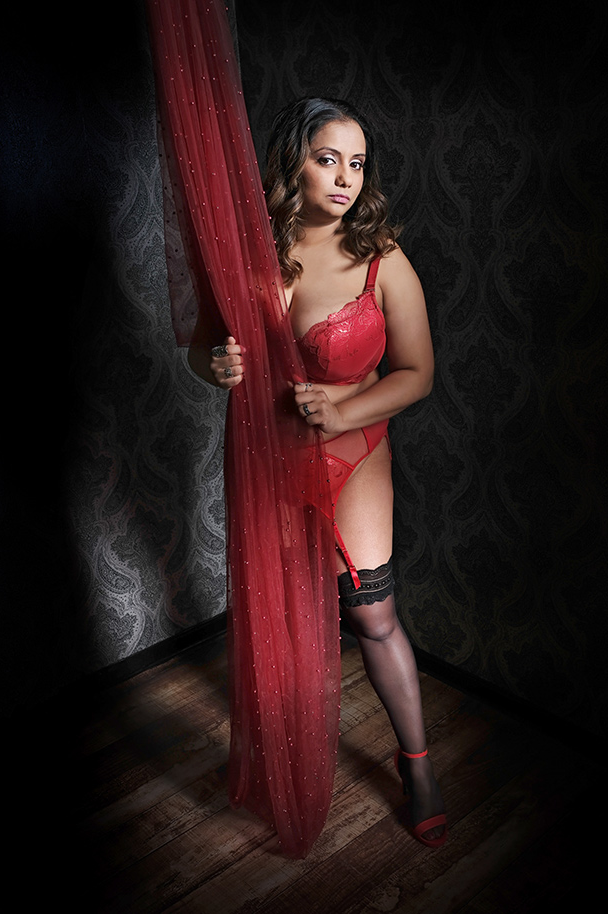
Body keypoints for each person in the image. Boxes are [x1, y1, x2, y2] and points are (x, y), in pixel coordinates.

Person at [188, 97, 447, 848]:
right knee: (281, 615)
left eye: (357, 164)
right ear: (291, 164)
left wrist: (343, 410)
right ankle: (286, 758)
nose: (344, 178)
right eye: (327, 159)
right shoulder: (248, 257)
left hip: (353, 454)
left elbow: (419, 373)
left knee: (372, 614)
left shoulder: (381, 257)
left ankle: (418, 765)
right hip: (268, 457)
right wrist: (215, 365)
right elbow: (205, 347)